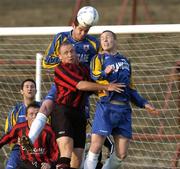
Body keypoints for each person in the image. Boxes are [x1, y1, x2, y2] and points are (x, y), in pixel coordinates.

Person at [28, 6, 113, 169]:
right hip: (65, 84)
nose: (83, 34)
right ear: (74, 25)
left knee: (78, 140)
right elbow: (46, 62)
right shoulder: (61, 38)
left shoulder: (94, 43)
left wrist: (103, 75)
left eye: (86, 31)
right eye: (81, 29)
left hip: (82, 91)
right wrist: (64, 59)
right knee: (45, 106)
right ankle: (28, 142)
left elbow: (98, 65)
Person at [84, 30, 159, 169]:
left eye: (108, 38)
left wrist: (144, 103)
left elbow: (130, 89)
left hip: (124, 110)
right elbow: (94, 76)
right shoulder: (98, 59)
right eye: (102, 38)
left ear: (115, 41)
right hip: (106, 107)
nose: (105, 40)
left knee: (122, 154)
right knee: (96, 146)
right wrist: (104, 73)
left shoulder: (125, 61)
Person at [51, 42, 124, 169]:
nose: (70, 55)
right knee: (66, 151)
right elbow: (80, 85)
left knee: (77, 158)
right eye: (66, 53)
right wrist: (106, 86)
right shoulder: (60, 69)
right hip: (63, 112)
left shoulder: (84, 69)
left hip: (80, 114)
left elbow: (93, 87)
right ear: (60, 57)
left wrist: (110, 84)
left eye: (72, 51)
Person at [0, 102, 59, 169]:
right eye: (31, 114)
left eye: (37, 114)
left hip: (43, 164)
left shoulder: (48, 130)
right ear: (26, 117)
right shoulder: (19, 128)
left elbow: (56, 151)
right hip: (26, 164)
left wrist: (50, 164)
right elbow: (6, 138)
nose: (34, 117)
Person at [4, 78, 39, 169]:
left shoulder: (43, 109)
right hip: (18, 149)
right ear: (21, 91)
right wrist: (17, 140)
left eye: (32, 87)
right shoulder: (15, 111)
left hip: (39, 149)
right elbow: (9, 133)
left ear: (36, 91)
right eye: (27, 87)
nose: (29, 89)